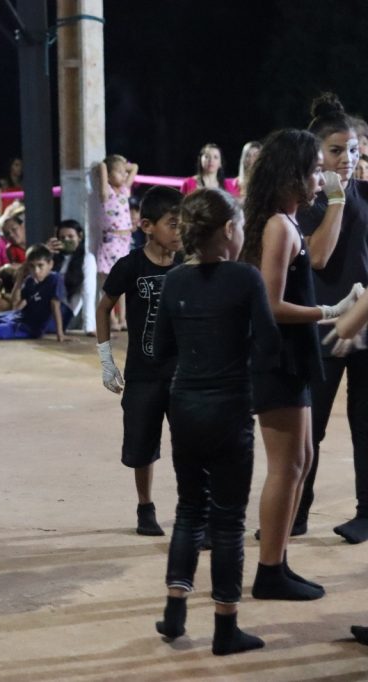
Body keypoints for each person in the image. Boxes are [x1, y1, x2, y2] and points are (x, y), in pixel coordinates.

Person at [152, 188, 278, 656]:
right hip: (229, 410)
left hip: (185, 407)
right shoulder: (245, 279)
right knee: (227, 524)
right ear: (228, 230)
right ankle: (226, 628)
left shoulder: (174, 283)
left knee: (189, 509)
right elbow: (267, 348)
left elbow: (159, 350)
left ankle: (175, 609)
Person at [240, 128, 356, 600]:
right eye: (313, 170)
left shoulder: (286, 222)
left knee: (301, 461)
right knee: (285, 467)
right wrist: (331, 312)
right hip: (277, 357)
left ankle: (279, 561)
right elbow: (270, 303)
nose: (320, 177)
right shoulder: (277, 226)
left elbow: (320, 256)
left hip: (292, 355)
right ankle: (269, 570)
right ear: (291, 174)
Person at [295, 93, 368, 544]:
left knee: (366, 423)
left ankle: (366, 513)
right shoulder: (306, 201)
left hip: (365, 322)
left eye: (354, 149)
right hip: (322, 324)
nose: (347, 158)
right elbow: (319, 257)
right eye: (337, 150)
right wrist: (337, 198)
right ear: (316, 151)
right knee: (310, 424)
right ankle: (297, 510)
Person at [95, 185, 183, 537]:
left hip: (184, 374)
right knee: (142, 445)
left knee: (189, 443)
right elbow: (103, 308)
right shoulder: (129, 266)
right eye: (173, 224)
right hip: (143, 374)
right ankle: (145, 507)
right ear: (147, 226)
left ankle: (193, 506)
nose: (180, 232)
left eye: (184, 224)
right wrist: (106, 360)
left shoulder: (190, 263)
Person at [0, 245, 70, 341]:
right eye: (32, 266)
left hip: (29, 327)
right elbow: (15, 305)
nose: (36, 271)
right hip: (20, 317)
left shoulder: (55, 279)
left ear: (50, 264)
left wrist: (60, 334)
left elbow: (55, 305)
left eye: (40, 266)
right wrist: (20, 279)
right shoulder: (30, 280)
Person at [94, 154, 139, 331]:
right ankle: (111, 319)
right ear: (109, 175)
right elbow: (102, 167)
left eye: (123, 172)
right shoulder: (107, 192)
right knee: (109, 282)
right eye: (119, 172)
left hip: (124, 240)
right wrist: (107, 166)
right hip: (111, 241)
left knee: (124, 281)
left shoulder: (124, 191)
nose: (124, 175)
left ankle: (123, 318)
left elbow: (134, 167)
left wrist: (123, 166)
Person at [46, 219, 97, 335]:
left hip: (62, 310)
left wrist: (89, 327)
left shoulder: (87, 259)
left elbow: (88, 292)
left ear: (80, 237)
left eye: (70, 236)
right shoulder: (53, 258)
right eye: (62, 238)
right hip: (42, 305)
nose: (66, 240)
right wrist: (45, 253)